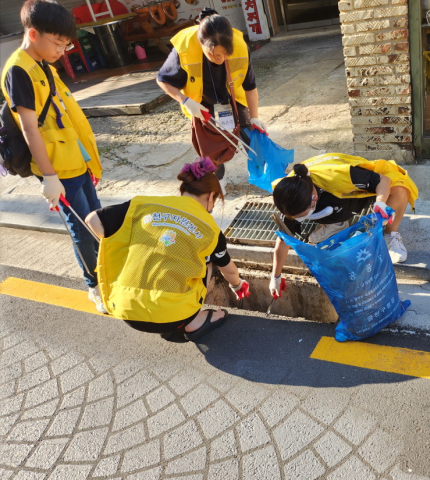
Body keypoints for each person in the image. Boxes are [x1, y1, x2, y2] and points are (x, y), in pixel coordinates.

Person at [1, 0, 105, 313]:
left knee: (96, 218)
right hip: (58, 167)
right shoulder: (18, 70)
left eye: (66, 43)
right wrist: (48, 177)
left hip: (75, 158)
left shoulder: (44, 63)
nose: (63, 50)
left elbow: (63, 114)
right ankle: (94, 285)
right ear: (33, 34)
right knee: (83, 229)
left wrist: (90, 160)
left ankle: (106, 271)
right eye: (58, 43)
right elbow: (30, 129)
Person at [85, 157, 251, 342]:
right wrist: (237, 285)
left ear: (183, 191)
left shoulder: (142, 205)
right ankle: (195, 321)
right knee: (208, 257)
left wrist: (127, 245)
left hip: (125, 310)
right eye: (214, 201)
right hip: (176, 317)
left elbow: (92, 220)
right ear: (211, 196)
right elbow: (228, 269)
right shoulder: (209, 230)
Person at [269, 153, 419, 299]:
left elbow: (383, 180)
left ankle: (390, 235)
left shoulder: (339, 177)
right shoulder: (290, 197)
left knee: (400, 190)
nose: (300, 219)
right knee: (325, 210)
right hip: (330, 200)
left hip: (356, 192)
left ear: (313, 199)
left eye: (303, 214)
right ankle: (336, 224)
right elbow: (283, 240)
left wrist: (380, 202)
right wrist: (275, 276)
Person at [156, 8, 266, 186]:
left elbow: (250, 86)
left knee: (253, 137)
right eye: (214, 55)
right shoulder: (185, 48)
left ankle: (261, 174)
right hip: (202, 104)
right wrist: (185, 100)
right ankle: (218, 180)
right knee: (210, 149)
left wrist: (254, 117)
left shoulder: (239, 46)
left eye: (225, 54)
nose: (220, 59)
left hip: (234, 100)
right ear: (201, 44)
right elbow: (163, 80)